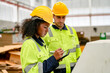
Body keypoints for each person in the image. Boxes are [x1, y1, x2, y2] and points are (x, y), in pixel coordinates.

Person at [20, 6, 64, 73]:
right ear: (36, 25)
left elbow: (43, 64)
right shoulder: (29, 44)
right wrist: (53, 59)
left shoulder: (41, 43)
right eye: (45, 27)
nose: (47, 31)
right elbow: (31, 71)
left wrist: (55, 60)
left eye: (48, 27)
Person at [43, 2, 81, 73]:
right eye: (58, 17)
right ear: (53, 16)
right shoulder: (46, 32)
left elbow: (78, 52)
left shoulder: (72, 31)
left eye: (63, 17)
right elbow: (44, 56)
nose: (61, 20)